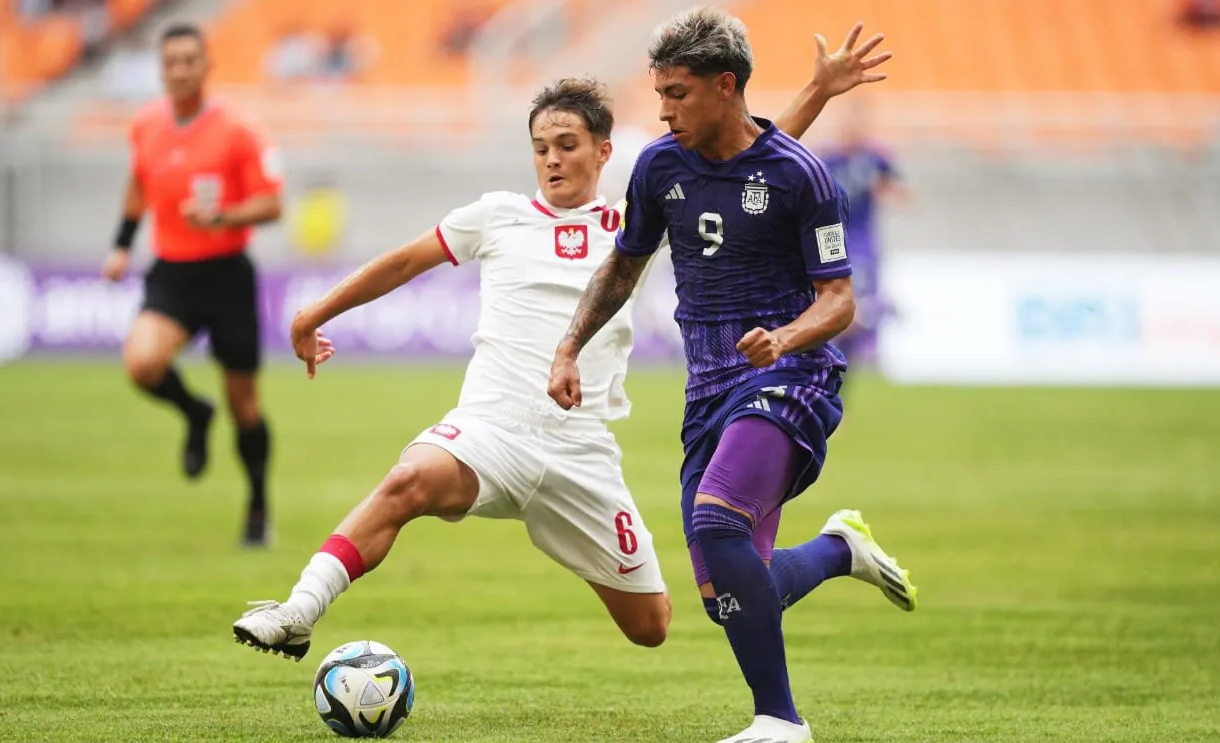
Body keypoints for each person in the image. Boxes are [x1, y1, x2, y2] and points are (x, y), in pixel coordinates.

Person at [230, 24, 892, 662]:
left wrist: (818, 90)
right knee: (407, 481)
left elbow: (744, 164)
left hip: (582, 453)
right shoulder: (495, 216)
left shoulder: (636, 216)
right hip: (491, 431)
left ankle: (837, 547)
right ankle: (298, 609)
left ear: (604, 152)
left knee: (655, 625)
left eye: (568, 144)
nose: (552, 158)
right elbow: (403, 263)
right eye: (541, 146)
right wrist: (315, 311)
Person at [547, 9, 914, 743]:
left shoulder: (805, 178)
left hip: (793, 375)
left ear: (723, 87)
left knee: (717, 519)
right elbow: (624, 264)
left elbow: (840, 299)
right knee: (729, 594)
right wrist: (568, 348)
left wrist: (784, 338)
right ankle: (841, 549)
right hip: (710, 385)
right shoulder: (660, 166)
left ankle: (781, 722)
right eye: (660, 93)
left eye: (677, 93)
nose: (663, 109)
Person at [102, 23, 285, 547]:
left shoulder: (238, 128)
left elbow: (273, 202)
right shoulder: (145, 125)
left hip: (227, 273)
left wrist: (223, 217)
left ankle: (256, 507)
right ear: (161, 69)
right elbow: (138, 184)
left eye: (189, 60)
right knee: (141, 363)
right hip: (174, 272)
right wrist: (121, 244)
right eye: (170, 62)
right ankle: (193, 411)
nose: (179, 70)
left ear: (207, 65)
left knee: (245, 405)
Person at [819, 100, 905, 374]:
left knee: (862, 298)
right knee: (837, 298)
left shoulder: (875, 158)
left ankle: (866, 348)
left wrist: (885, 190)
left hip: (864, 240)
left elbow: (899, 191)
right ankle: (837, 350)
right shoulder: (827, 159)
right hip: (834, 239)